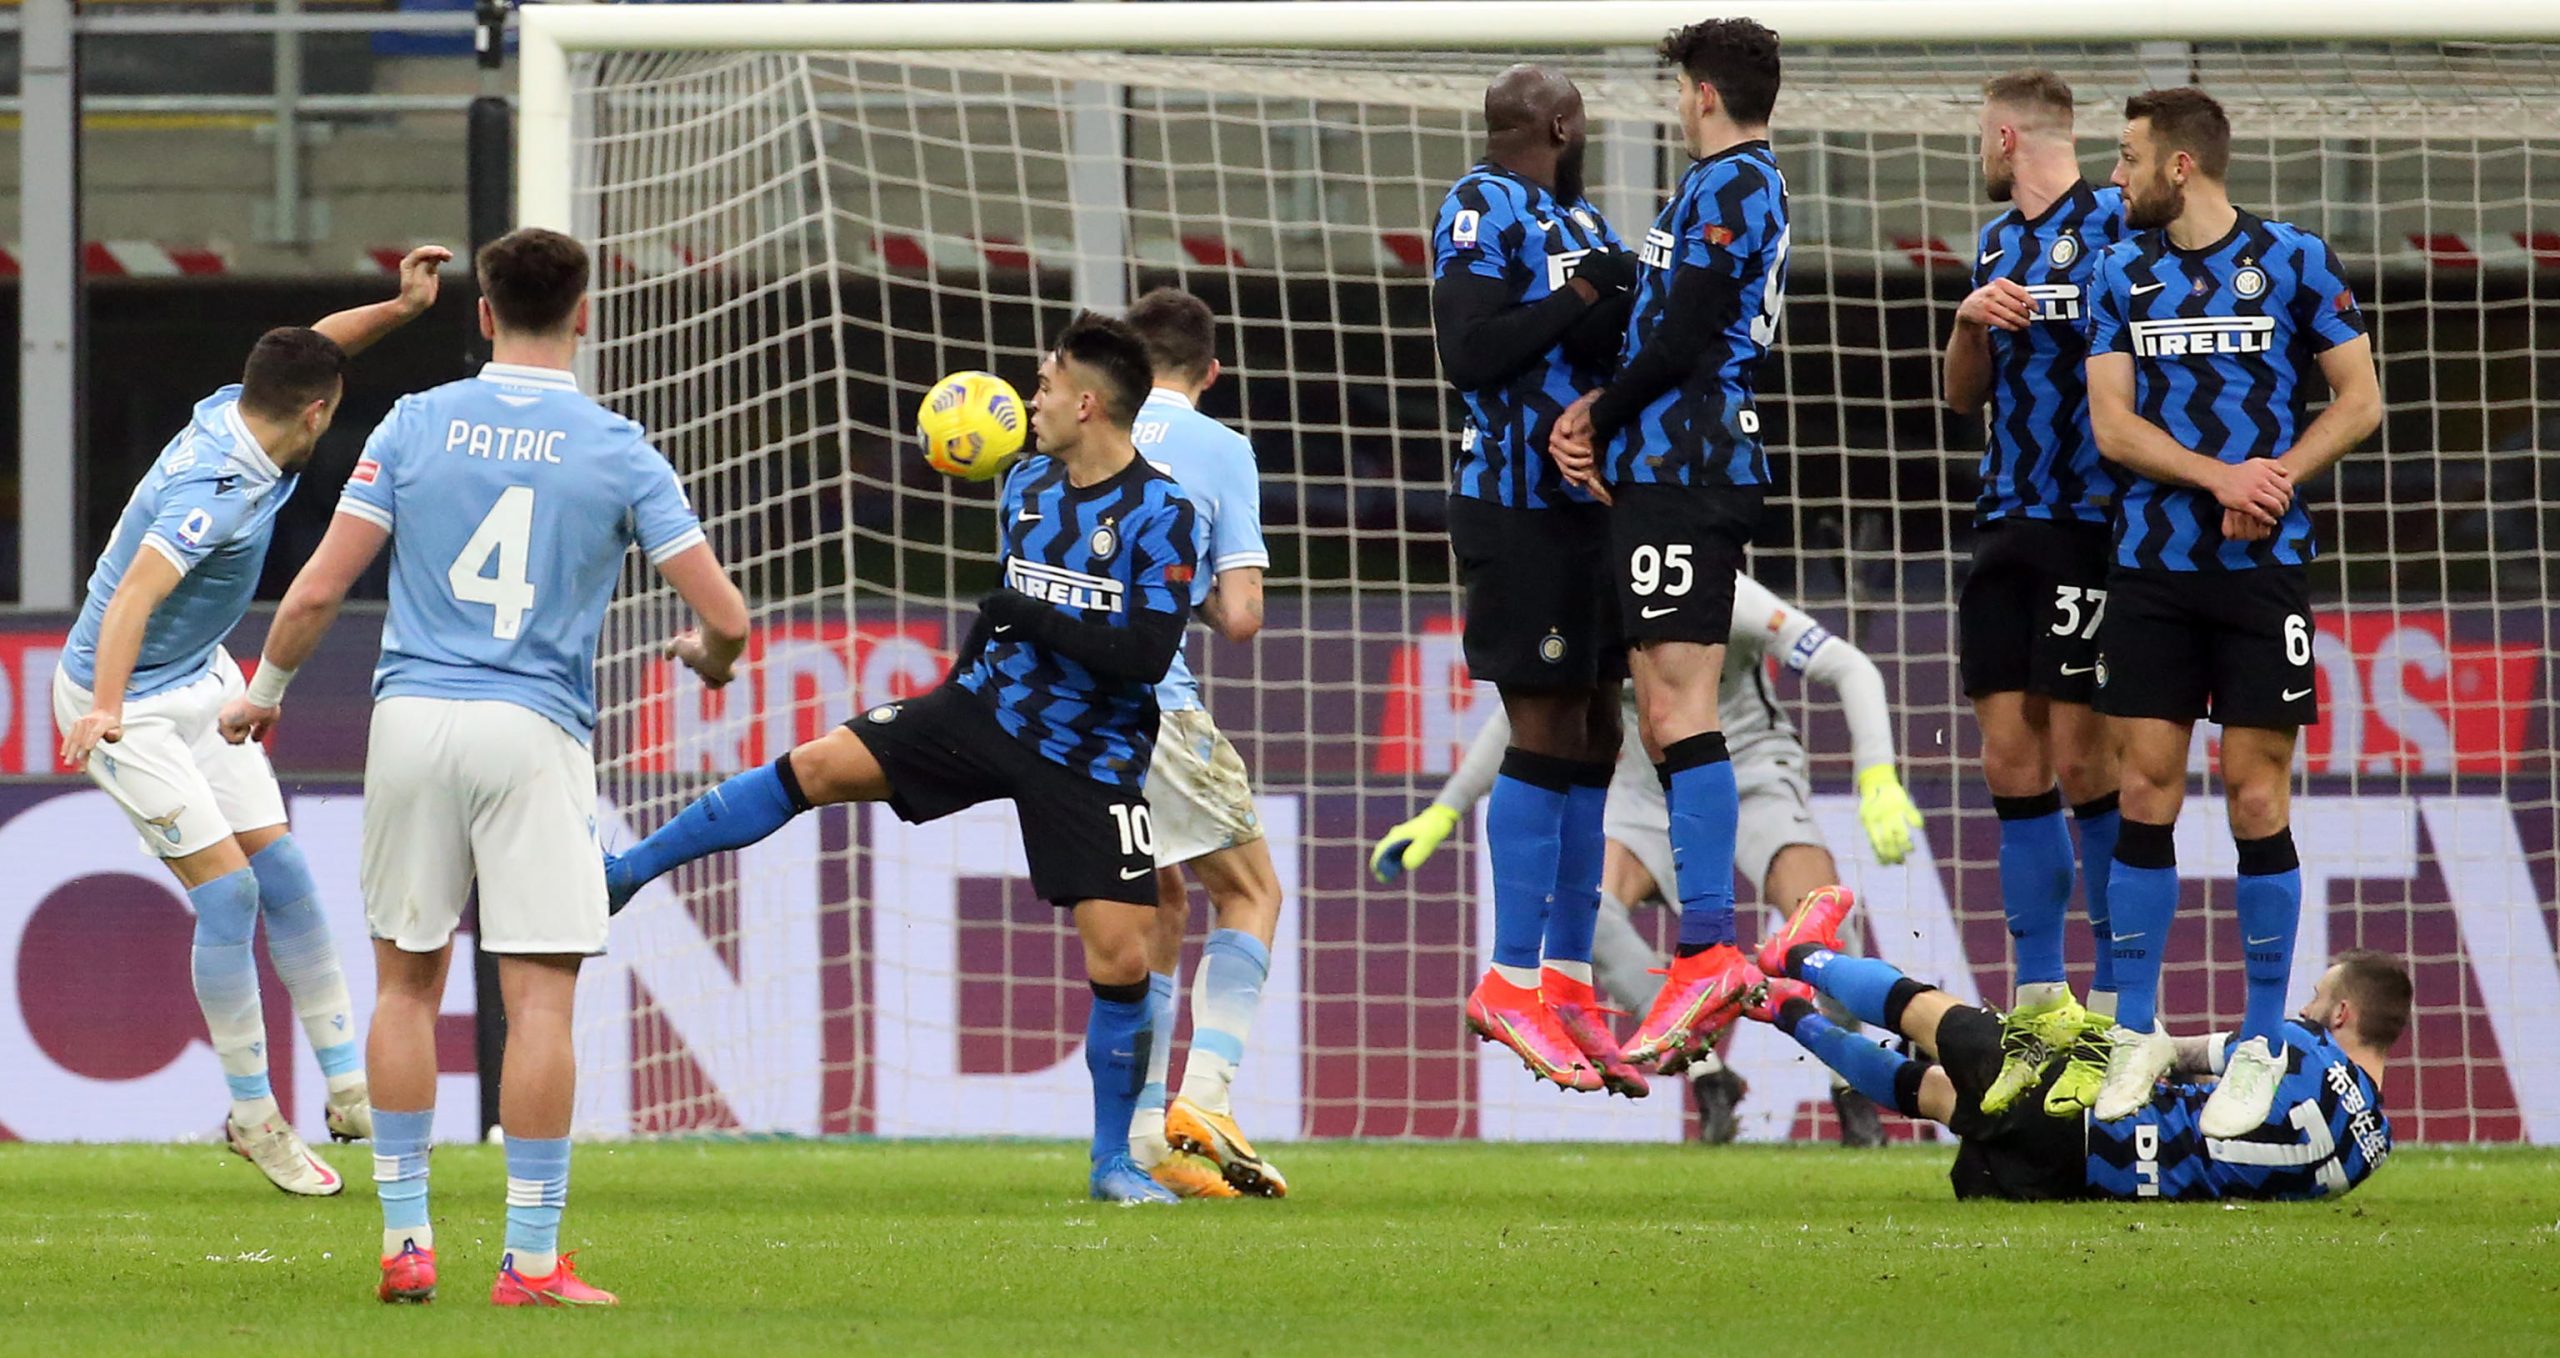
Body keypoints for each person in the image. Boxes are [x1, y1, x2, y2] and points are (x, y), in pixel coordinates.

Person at [226, 229, 750, 1305]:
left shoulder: (416, 423)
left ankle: (407, 1238)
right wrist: (710, 655)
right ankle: (531, 1258)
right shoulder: (618, 446)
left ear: (480, 313)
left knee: (405, 982)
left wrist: (263, 694)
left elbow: (320, 587)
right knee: (541, 998)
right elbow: (725, 614)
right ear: (588, 313)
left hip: (413, 718)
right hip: (533, 727)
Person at [599, 312, 1202, 1207]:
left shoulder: (1163, 512)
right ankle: (627, 872)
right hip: (982, 709)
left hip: (1091, 752)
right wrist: (959, 684)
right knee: (816, 765)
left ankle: (1113, 1163)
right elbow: (1000, 613)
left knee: (1121, 959)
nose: (1030, 396)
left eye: (1045, 383)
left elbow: (1146, 654)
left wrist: (1027, 616)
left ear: (1088, 401)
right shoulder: (1026, 484)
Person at [53, 247, 448, 1196]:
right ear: (318, 415)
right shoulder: (214, 491)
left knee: (287, 875)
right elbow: (131, 599)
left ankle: (350, 1090)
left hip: (197, 679)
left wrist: (400, 307)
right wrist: (105, 709)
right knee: (228, 897)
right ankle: (252, 1114)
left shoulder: (246, 405)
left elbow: (318, 344)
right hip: (129, 703)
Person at [2082, 88, 2382, 1133]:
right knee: (2145, 786)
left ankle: (2258, 1041)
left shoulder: (2295, 258)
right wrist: (2222, 477)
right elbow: (2112, 427)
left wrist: (2278, 477)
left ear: (2178, 167)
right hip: (2150, 566)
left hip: (2263, 571)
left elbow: (2358, 397)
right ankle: (2132, 1030)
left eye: (2123, 158)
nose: (2110, 176)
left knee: (2257, 794)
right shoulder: (2115, 269)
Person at [1373, 572, 1917, 1142]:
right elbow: (1520, 718)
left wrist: (1877, 774)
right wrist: (1443, 811)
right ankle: (1707, 1072)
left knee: (1818, 917)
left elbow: (1850, 666)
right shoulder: (1586, 600)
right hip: (1642, 795)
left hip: (1752, 776)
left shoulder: (1721, 592)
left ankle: (1847, 1081)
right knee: (1587, 914)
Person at [1549, 18, 1790, 1072]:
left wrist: (1599, 412)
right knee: (1659, 707)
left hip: (1695, 469)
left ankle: (1706, 946)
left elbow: (1687, 330)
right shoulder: (1706, 190)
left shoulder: (1739, 183)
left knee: (1681, 702)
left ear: (1700, 93)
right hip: (1663, 471)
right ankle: (1704, 945)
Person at [1428, 62, 1644, 1093]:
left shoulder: (1585, 218)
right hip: (1514, 507)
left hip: (1585, 506)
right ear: (1558, 122)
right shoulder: (1481, 206)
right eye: (1584, 116)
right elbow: (1468, 351)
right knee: (1546, 724)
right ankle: (1510, 978)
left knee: (1600, 728)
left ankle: (1565, 984)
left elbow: (1598, 336)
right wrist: (1584, 289)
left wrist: (1625, 296)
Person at [1747, 888, 2404, 1202]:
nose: (2304, 1006)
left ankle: (1797, 954)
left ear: (2341, 1012)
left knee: (1932, 1017)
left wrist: (2117, 1045)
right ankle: (1778, 1009)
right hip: (2089, 1179)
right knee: (1940, 1097)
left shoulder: (2295, 1045)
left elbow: (2180, 1055)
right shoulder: (2375, 1145)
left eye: (2317, 996)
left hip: (2092, 1113)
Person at [1941, 69, 2135, 1118]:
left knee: (2080, 752)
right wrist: (1970, 320)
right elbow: (1959, 395)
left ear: (2007, 132)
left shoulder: (2113, 223)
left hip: (2090, 524)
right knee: (2006, 754)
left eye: (1982, 134)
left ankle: (2109, 1012)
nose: (1979, 149)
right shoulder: (1991, 244)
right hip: (2003, 521)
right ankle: (2037, 1006)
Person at [1118, 288, 1288, 1199]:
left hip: (1066, 711)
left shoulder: (1083, 429)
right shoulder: (1222, 450)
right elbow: (1243, 617)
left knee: (1160, 902)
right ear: (1210, 371)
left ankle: (1148, 1140)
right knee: (1253, 890)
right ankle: (1207, 1096)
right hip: (1156, 700)